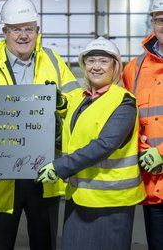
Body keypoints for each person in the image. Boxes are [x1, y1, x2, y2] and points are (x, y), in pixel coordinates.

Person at [0, 0, 81, 250]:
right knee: (0, 244)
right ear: (4, 32)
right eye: (16, 29)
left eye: (29, 28)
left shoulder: (54, 61)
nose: (23, 35)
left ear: (37, 30)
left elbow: (76, 105)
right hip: (1, 176)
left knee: (44, 242)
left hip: (43, 173)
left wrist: (62, 103)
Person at [36, 37, 146, 250]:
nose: (96, 67)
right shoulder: (79, 98)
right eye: (91, 61)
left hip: (112, 202)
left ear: (115, 67)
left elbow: (105, 145)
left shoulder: (124, 101)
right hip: (80, 196)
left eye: (104, 62)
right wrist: (55, 107)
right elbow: (70, 128)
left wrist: (59, 167)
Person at [123, 0, 163, 250]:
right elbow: (124, 117)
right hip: (154, 185)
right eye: (160, 19)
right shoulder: (134, 69)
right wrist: (141, 148)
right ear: (152, 22)